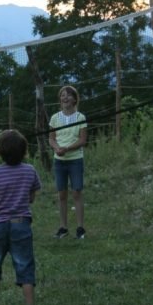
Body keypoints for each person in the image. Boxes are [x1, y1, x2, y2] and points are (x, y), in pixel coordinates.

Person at [0, 129, 45, 305]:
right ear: (24, 151)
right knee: (25, 267)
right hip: (21, 225)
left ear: (0, 151)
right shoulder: (30, 171)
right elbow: (31, 197)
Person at [49, 85, 88, 239]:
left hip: (75, 160)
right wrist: (57, 148)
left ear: (74, 99)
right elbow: (51, 138)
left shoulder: (80, 117)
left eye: (68, 95)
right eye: (62, 95)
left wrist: (67, 148)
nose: (65, 98)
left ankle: (80, 228)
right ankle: (63, 227)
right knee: (62, 194)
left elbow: (83, 139)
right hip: (59, 160)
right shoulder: (54, 118)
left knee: (77, 192)